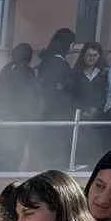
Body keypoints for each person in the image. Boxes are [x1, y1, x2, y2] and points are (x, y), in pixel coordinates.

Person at [0, 44, 39, 172]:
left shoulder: (6, 69)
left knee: (3, 153)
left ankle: (1, 177)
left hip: (3, 118)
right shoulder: (27, 71)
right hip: (19, 120)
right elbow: (32, 96)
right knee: (15, 155)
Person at [36, 28, 78, 165]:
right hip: (56, 115)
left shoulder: (47, 60)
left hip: (46, 114)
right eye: (72, 44)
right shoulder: (58, 63)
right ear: (68, 44)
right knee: (55, 155)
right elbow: (57, 88)